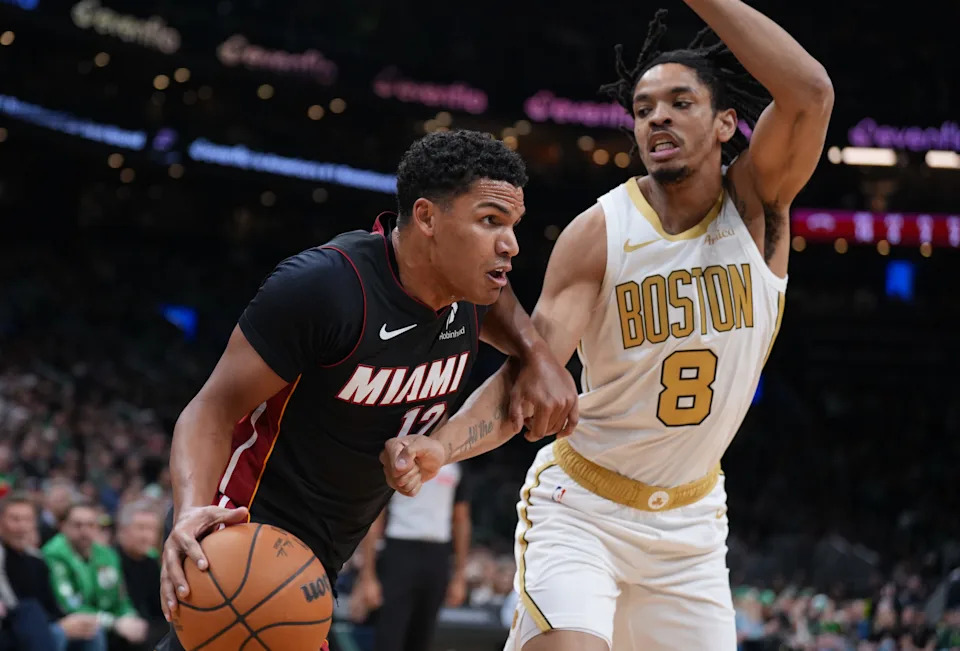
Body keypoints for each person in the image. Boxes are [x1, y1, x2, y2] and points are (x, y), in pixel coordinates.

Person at [380, 2, 833, 649]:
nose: (658, 118)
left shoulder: (758, 210)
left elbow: (811, 92)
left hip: (691, 529)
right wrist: (442, 444)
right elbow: (531, 379)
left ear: (728, 123)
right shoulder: (600, 233)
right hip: (583, 509)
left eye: (680, 102)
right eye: (644, 108)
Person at [155, 130, 578, 650]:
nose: (511, 243)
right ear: (426, 218)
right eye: (490, 221)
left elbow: (500, 302)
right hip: (244, 528)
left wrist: (537, 354)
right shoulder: (327, 287)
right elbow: (211, 410)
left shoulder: (470, 289)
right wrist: (192, 510)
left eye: (513, 225)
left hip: (325, 552)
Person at [352, 462, 471, 651]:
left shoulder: (457, 464)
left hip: (438, 553)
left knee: (423, 636)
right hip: (399, 549)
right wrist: (367, 576)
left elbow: (461, 519)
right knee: (389, 634)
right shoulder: (401, 457)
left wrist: (459, 575)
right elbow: (376, 517)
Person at [0, 493, 102, 651]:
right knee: (51, 628)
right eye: (15, 519)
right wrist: (58, 625)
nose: (21, 526)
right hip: (11, 628)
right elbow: (14, 607)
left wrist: (66, 621)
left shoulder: (37, 560)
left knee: (92, 630)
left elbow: (51, 604)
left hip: (41, 625)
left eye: (27, 519)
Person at [42, 502, 149, 648]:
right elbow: (69, 604)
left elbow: (121, 597)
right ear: (63, 527)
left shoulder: (107, 554)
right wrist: (115, 623)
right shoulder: (53, 553)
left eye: (90, 525)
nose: (84, 531)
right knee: (94, 632)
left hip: (107, 621)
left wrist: (129, 616)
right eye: (77, 525)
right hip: (71, 624)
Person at [113, 501, 166, 650]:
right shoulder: (109, 559)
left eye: (152, 529)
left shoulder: (153, 562)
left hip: (150, 629)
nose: (146, 536)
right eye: (140, 528)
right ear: (123, 530)